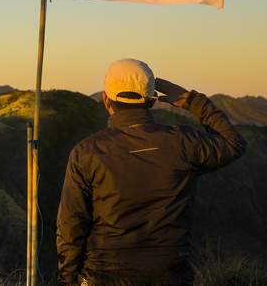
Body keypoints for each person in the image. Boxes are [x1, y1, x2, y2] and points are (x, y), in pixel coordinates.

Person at [56, 59, 247, 286]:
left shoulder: (86, 153)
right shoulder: (181, 143)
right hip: (169, 273)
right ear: (152, 101)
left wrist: (68, 279)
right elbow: (233, 143)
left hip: (104, 273)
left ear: (106, 100)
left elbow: (71, 225)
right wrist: (192, 101)